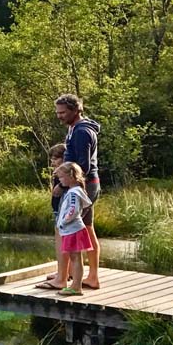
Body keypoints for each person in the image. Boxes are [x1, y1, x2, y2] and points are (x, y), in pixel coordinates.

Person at [49, 93, 101, 291]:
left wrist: (63, 185)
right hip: (87, 185)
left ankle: (62, 279)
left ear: (75, 110)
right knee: (86, 228)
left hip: (82, 186)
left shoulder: (81, 132)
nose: (59, 116)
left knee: (63, 227)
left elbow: (83, 165)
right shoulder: (75, 129)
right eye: (57, 112)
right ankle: (80, 275)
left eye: (62, 112)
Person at [53, 161, 93, 296]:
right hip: (72, 229)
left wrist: (63, 222)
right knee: (75, 257)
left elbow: (73, 210)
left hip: (73, 230)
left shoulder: (74, 193)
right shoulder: (74, 191)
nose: (60, 180)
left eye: (62, 177)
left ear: (71, 176)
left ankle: (76, 287)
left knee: (75, 258)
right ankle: (76, 286)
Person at [36, 143, 69, 290]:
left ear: (64, 158)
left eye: (56, 158)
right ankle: (63, 272)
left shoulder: (65, 176)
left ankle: (62, 276)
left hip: (61, 211)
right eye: (52, 159)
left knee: (61, 238)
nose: (52, 162)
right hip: (57, 209)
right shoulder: (57, 173)